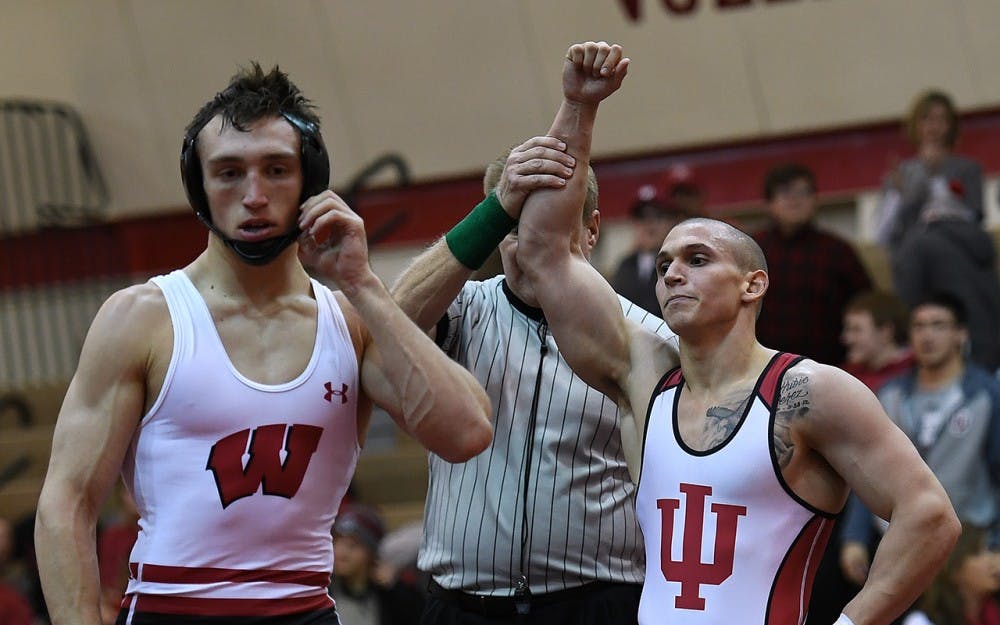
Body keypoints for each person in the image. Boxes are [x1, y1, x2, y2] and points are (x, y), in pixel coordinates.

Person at [515, 41, 959, 625]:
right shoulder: (644, 379)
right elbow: (545, 253)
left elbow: (928, 515)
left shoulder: (808, 393)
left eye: (698, 259)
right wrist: (578, 108)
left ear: (753, 285)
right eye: (668, 261)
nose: (673, 271)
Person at [34, 63, 492, 625]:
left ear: (310, 182)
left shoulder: (351, 320)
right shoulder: (143, 319)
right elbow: (66, 504)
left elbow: (467, 433)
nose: (254, 195)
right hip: (170, 610)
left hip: (302, 611)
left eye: (276, 170)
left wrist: (365, 284)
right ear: (198, 186)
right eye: (228, 173)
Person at [390, 45, 675, 625]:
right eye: (512, 229)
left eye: (547, 229)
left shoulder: (649, 335)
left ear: (591, 230)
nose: (526, 248)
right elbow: (392, 320)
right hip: (463, 606)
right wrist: (498, 204)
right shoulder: (464, 308)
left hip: (599, 603)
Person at [841, 293, 1000, 590]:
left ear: (960, 333)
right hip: (894, 543)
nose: (927, 335)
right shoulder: (889, 395)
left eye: (939, 325)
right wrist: (855, 537)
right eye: (919, 326)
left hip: (965, 545)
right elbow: (867, 474)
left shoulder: (986, 395)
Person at [874, 89, 1000, 371]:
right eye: (927, 119)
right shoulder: (900, 174)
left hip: (957, 255)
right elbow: (886, 233)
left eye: (941, 119)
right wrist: (906, 192)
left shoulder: (967, 168)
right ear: (915, 125)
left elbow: (972, 217)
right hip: (913, 261)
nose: (934, 126)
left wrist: (935, 184)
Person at [751, 163, 873, 366]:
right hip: (761, 367)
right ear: (769, 204)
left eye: (803, 192)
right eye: (785, 193)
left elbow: (866, 305)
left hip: (829, 366)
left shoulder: (839, 251)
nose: (795, 200)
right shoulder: (751, 249)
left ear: (816, 200)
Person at [328, 504, 423, 625]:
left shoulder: (394, 595)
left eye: (352, 545)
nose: (340, 552)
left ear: (371, 553)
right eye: (337, 542)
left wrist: (394, 588)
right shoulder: (323, 590)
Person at [901, 523, 1000, 625]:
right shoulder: (921, 622)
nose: (991, 560)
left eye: (988, 550)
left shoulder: (993, 611)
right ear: (954, 568)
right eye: (978, 553)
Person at [610, 187, 688, 315]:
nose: (650, 224)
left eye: (658, 216)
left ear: (670, 221)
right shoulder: (625, 265)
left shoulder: (678, 262)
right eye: (642, 217)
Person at [841, 290, 914, 393]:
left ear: (885, 332)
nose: (846, 339)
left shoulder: (916, 373)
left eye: (856, 330)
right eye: (848, 329)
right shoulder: (847, 375)